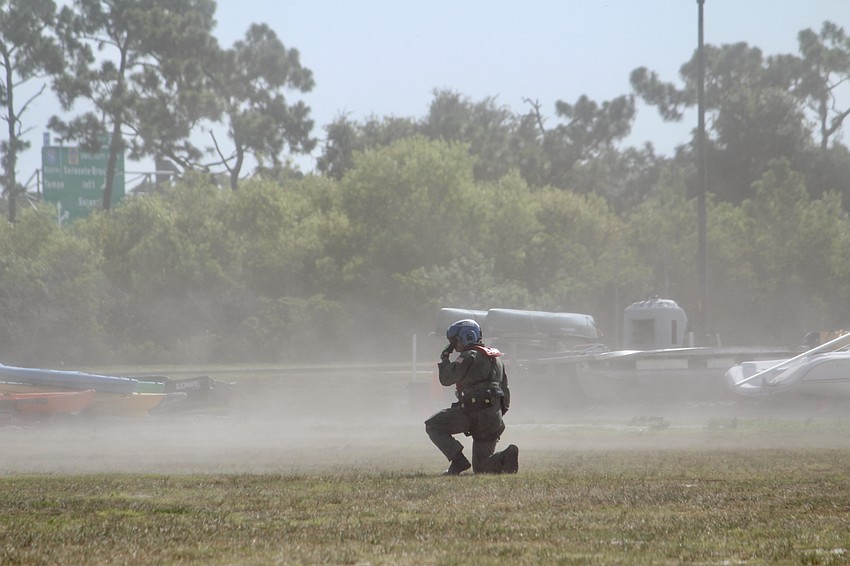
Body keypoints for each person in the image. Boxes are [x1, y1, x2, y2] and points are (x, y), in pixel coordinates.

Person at [424, 319, 519, 475]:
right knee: (482, 468)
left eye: (456, 341)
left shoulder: (469, 356)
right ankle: (505, 457)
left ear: (467, 336)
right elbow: (505, 391)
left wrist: (445, 358)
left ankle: (458, 461)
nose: (455, 346)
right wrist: (497, 415)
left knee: (433, 425)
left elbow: (446, 379)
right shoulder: (497, 359)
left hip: (472, 413)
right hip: (492, 418)